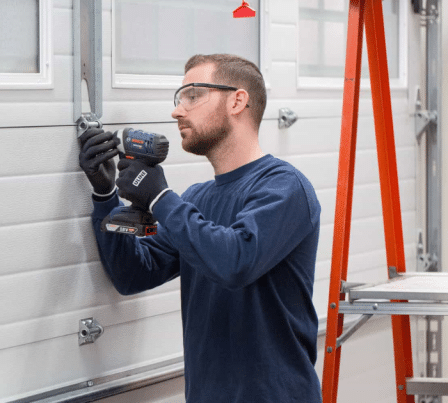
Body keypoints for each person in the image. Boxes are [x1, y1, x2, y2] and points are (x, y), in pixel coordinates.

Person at [78, 54, 322, 402]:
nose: (178, 111)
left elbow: (236, 261)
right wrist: (105, 195)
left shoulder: (285, 188)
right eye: (180, 99)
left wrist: (160, 197)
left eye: (193, 95)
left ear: (238, 100)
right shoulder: (198, 199)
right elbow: (132, 274)